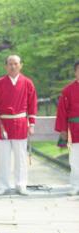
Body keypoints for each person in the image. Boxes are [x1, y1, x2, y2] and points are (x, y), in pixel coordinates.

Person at [0, 55, 37, 196]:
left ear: (21, 65)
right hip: (3, 124)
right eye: (10, 64)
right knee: (4, 156)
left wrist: (31, 123)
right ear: (5, 66)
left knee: (20, 156)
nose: (13, 66)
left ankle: (21, 184)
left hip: (21, 123)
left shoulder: (27, 83)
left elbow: (33, 104)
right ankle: (3, 185)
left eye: (15, 63)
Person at [55, 61, 79, 196]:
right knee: (75, 159)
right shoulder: (67, 90)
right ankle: (75, 185)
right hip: (74, 129)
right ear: (75, 72)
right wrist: (63, 130)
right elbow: (62, 112)